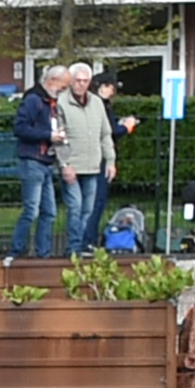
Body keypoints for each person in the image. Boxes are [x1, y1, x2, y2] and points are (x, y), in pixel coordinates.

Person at [61, 64, 120, 257]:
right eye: (78, 81)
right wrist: (64, 164)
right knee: (75, 207)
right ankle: (74, 247)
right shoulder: (62, 102)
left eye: (85, 81)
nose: (81, 85)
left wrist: (110, 160)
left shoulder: (96, 103)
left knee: (88, 209)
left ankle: (82, 245)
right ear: (71, 81)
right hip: (72, 165)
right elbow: (59, 137)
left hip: (93, 165)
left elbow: (105, 134)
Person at [8, 68, 67, 259]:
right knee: (33, 210)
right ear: (52, 81)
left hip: (45, 161)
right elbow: (20, 127)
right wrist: (49, 135)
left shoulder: (50, 102)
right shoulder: (34, 100)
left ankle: (43, 254)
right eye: (63, 86)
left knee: (48, 212)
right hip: (33, 160)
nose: (64, 91)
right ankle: (17, 251)